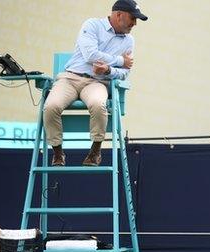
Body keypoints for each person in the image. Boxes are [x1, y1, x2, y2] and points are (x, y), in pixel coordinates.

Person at [43, 0, 148, 166]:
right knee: (50, 106)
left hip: (97, 83)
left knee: (99, 105)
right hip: (70, 78)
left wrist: (108, 70)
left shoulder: (129, 40)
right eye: (132, 18)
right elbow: (91, 55)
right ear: (119, 15)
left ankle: (95, 152)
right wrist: (120, 60)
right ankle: (57, 152)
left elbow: (125, 73)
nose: (134, 23)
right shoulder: (92, 24)